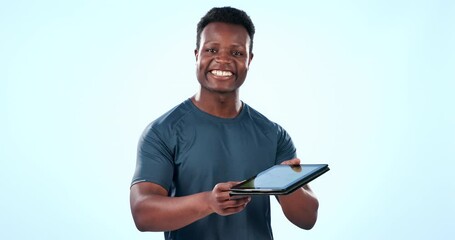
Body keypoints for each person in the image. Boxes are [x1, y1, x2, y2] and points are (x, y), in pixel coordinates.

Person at [130, 6, 319, 240]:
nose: (223, 60)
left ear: (249, 60)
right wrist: (209, 202)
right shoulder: (162, 131)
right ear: (197, 54)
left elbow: (308, 218)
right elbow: (142, 213)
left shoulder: (273, 134)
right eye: (211, 49)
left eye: (237, 53)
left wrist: (287, 183)